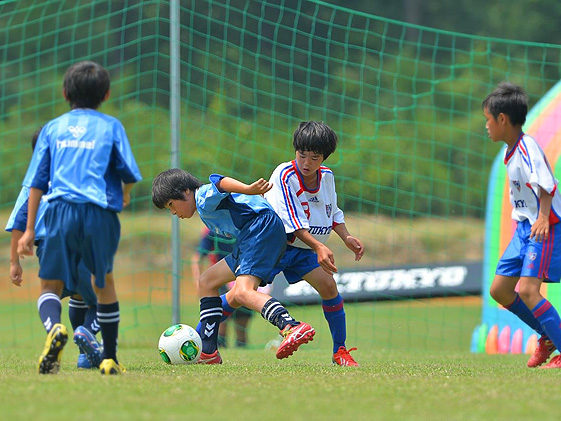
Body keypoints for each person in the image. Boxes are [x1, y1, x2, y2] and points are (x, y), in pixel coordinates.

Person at [17, 61, 142, 375]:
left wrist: (29, 229)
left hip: (58, 212)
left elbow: (36, 182)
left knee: (49, 287)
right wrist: (124, 194)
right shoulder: (112, 126)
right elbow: (128, 172)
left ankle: (54, 330)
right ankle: (109, 357)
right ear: (107, 94)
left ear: (64, 93)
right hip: (98, 212)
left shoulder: (52, 129)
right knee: (104, 285)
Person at [152, 168, 315, 364]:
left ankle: (290, 326)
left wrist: (248, 189)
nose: (173, 212)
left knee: (242, 292)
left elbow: (220, 183)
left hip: (259, 229)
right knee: (207, 281)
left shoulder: (202, 197)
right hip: (251, 236)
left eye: (171, 204)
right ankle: (209, 351)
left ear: (186, 191)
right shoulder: (205, 209)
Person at [240, 120, 364, 366]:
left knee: (329, 287)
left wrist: (346, 237)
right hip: (274, 247)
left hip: (304, 250)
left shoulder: (327, 177)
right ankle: (205, 339)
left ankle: (340, 352)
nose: (306, 163)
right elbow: (290, 221)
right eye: (302, 155)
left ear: (324, 158)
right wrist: (319, 246)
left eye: (314, 158)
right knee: (238, 295)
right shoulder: (284, 174)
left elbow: (332, 213)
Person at [6, 128, 102, 370]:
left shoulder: (33, 183)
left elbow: (19, 220)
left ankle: (54, 328)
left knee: (50, 293)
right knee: (98, 299)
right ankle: (86, 338)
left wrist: (13, 262)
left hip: (49, 245)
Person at [485, 82, 561, 369]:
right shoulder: (511, 150)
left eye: (488, 120)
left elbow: (547, 183)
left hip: (543, 227)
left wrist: (542, 216)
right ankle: (547, 336)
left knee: (528, 290)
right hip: (523, 230)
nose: (487, 126)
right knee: (500, 290)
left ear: (502, 119)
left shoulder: (528, 146)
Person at [192, 227, 253, 348]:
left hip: (243, 275)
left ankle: (241, 348)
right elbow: (197, 258)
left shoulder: (244, 226)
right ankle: (217, 347)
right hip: (221, 280)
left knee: (241, 325)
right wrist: (198, 283)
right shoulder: (212, 230)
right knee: (219, 322)